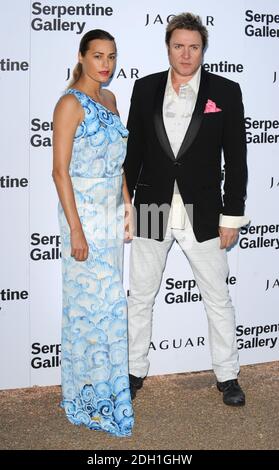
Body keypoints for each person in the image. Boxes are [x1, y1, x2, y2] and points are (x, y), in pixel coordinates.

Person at [124, 13, 249, 406]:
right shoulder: (144, 89)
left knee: (217, 298)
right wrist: (125, 205)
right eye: (179, 45)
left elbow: (238, 160)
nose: (186, 54)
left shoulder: (226, 92)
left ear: (203, 49)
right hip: (151, 204)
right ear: (168, 46)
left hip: (206, 210)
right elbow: (133, 154)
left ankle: (227, 376)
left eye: (193, 46)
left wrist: (231, 216)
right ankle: (132, 371)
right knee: (140, 296)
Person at [52, 29, 134, 436]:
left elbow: (118, 162)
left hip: (109, 215)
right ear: (82, 57)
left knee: (109, 309)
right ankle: (84, 396)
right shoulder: (70, 104)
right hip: (82, 217)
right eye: (98, 55)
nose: (106, 63)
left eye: (112, 56)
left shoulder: (112, 100)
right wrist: (76, 232)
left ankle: (109, 389)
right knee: (87, 312)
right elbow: (59, 172)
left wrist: (128, 203)